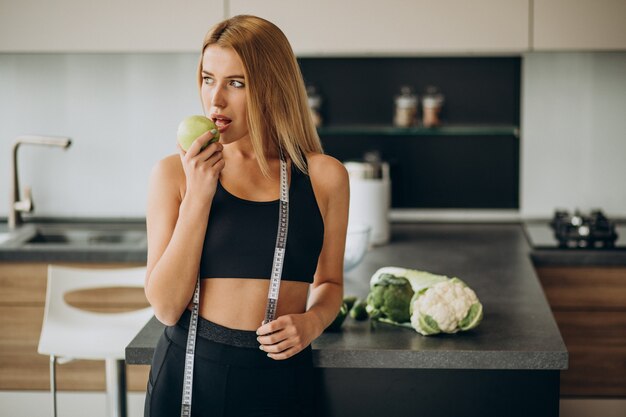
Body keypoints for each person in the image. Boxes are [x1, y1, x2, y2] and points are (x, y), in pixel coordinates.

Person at [143, 14, 349, 417]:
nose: (215, 99)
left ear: (273, 87)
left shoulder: (324, 177)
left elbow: (330, 282)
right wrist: (200, 195)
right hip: (189, 369)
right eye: (207, 78)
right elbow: (166, 308)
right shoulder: (173, 174)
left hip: (281, 376)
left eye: (236, 83)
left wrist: (312, 323)